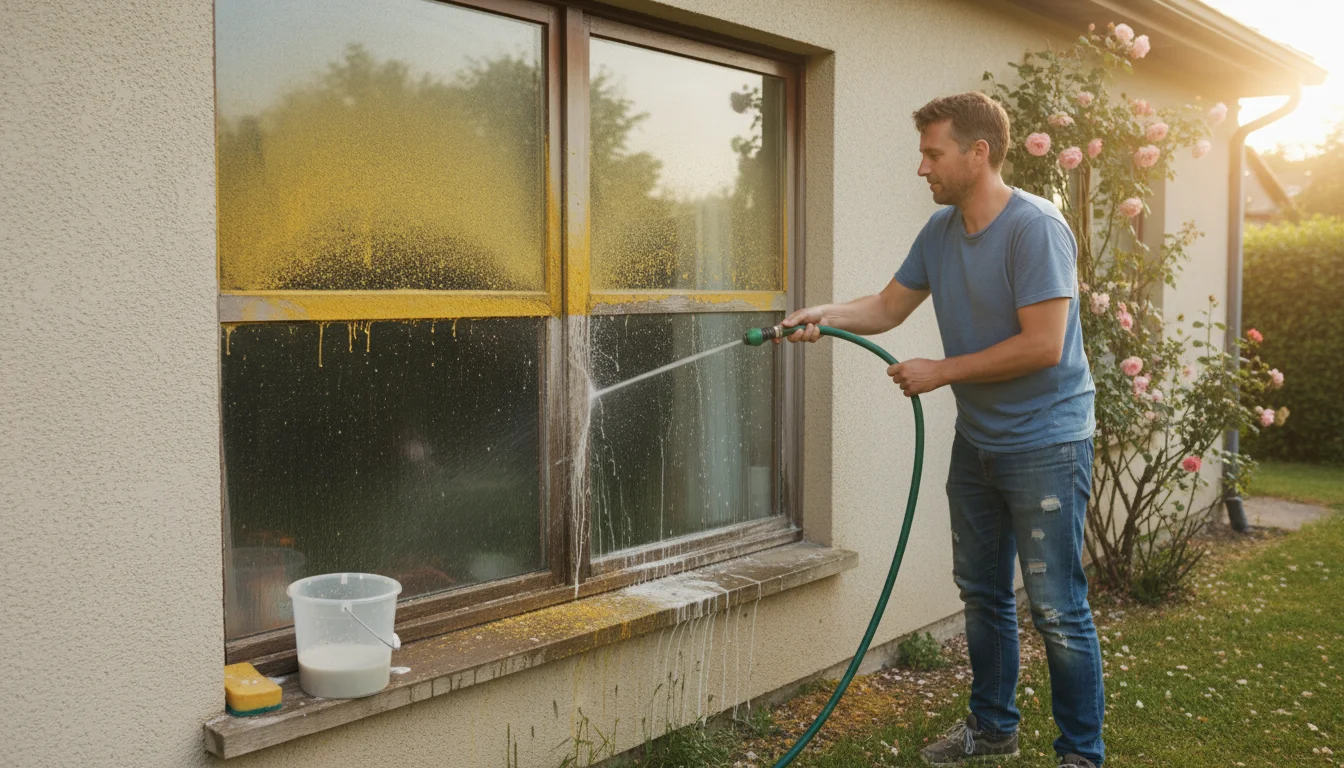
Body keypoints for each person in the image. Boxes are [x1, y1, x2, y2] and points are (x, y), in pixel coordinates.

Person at [781, 92, 1104, 768]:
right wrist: (824, 314)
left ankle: (1081, 755)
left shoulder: (1034, 228)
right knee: (983, 595)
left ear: (977, 153)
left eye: (933, 153)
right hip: (980, 442)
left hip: (1047, 443)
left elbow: (1044, 344)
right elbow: (888, 305)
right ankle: (993, 732)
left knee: (1057, 609)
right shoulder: (941, 234)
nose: (921, 168)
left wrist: (943, 371)